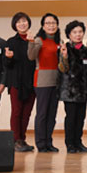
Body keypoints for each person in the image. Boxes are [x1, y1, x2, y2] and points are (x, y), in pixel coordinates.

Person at [27, 13, 61, 152]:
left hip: (56, 81)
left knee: (52, 114)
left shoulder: (59, 41)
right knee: (42, 114)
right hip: (42, 80)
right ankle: (41, 143)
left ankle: (48, 142)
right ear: (43, 26)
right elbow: (31, 56)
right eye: (48, 23)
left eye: (53, 23)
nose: (51, 26)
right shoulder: (39, 40)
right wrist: (31, 43)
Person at [58, 20, 87, 153]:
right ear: (69, 35)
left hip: (83, 90)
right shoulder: (64, 48)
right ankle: (70, 144)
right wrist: (64, 56)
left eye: (80, 32)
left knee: (81, 118)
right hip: (70, 90)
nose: (78, 35)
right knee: (71, 118)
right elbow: (63, 68)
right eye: (74, 32)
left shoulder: (86, 51)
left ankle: (78, 142)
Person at [4, 11, 36, 152]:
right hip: (16, 82)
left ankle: (22, 139)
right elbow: (6, 65)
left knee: (27, 113)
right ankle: (15, 140)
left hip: (32, 82)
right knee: (16, 112)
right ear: (15, 25)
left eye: (24, 21)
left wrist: (32, 43)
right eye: (19, 22)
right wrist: (8, 58)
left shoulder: (34, 40)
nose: (22, 24)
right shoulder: (11, 42)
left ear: (28, 23)